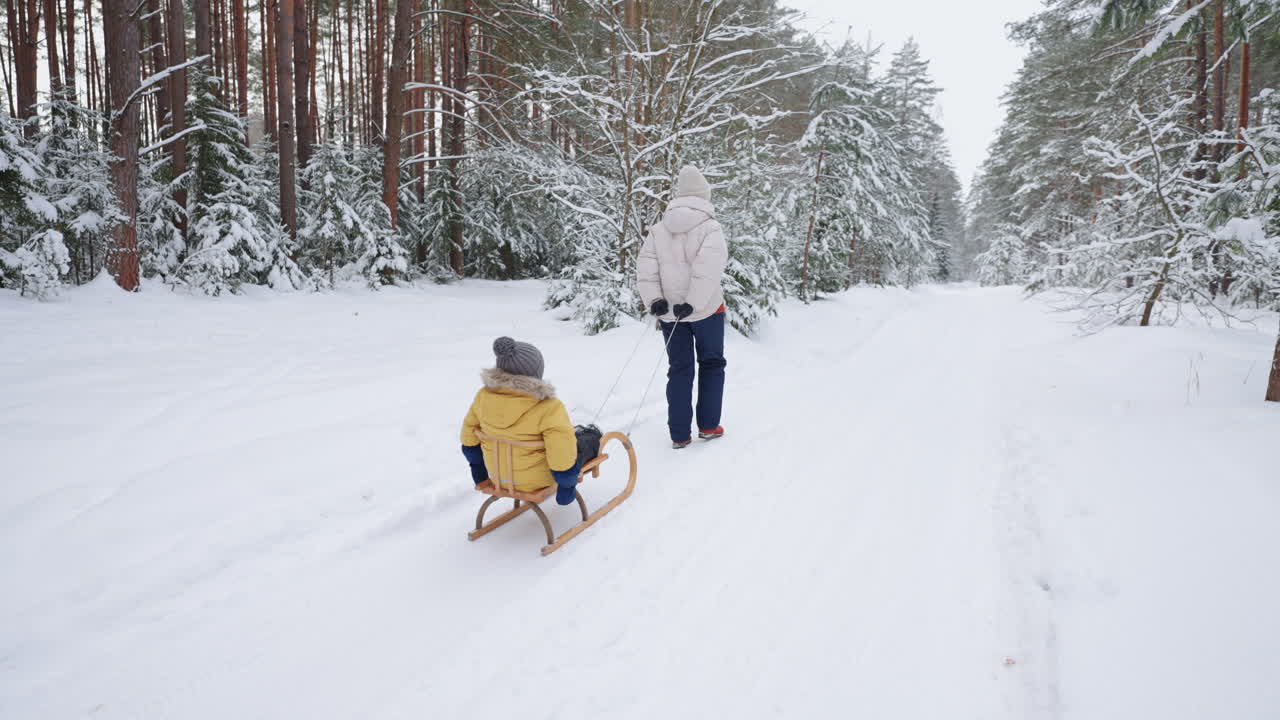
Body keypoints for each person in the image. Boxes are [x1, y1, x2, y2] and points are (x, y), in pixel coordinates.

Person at [636, 165, 729, 449]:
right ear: (704, 195)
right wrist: (693, 303)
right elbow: (709, 270)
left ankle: (679, 435)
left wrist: (655, 300)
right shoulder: (710, 228)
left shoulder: (658, 230)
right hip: (706, 312)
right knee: (711, 365)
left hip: (670, 314)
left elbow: (645, 269)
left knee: (679, 368)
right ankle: (709, 426)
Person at [460, 337, 580, 505]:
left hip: (498, 477)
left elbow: (468, 437)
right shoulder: (549, 407)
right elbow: (561, 451)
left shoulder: (483, 398)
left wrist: (478, 471)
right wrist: (567, 486)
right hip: (537, 481)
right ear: (535, 374)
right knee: (576, 442)